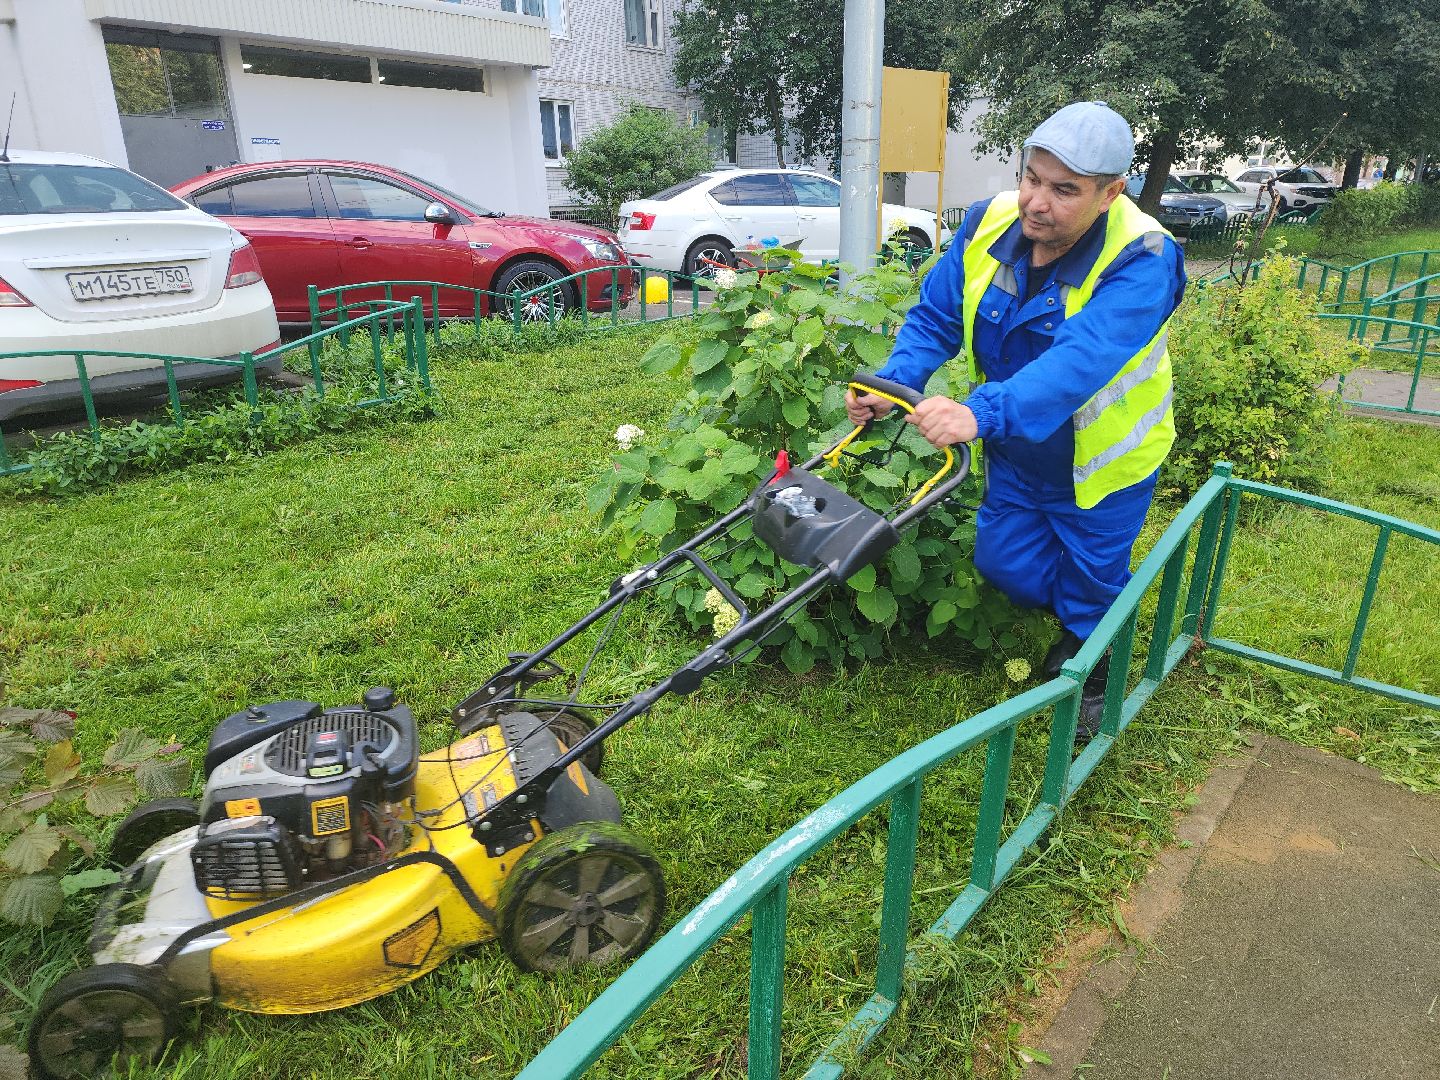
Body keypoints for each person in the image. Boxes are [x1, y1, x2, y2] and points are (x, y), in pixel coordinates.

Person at [846, 101, 1187, 738]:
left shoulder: (1143, 257)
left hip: (1100, 462)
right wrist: (894, 384)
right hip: (1017, 451)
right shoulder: (989, 223)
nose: (1036, 202)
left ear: (1111, 192)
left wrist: (979, 412)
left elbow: (1078, 365)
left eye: (1064, 190)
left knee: (1089, 586)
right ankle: (1108, 598)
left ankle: (1091, 654)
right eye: (1032, 178)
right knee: (1005, 565)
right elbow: (937, 317)